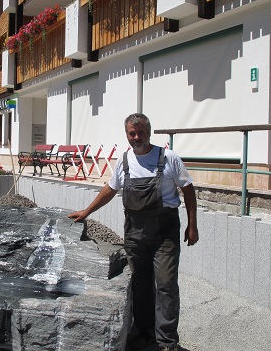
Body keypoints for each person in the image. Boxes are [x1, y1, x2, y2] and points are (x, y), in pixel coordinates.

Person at [68, 113, 198, 351]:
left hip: (164, 232)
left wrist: (192, 225)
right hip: (135, 232)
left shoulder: (168, 158)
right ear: (127, 134)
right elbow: (110, 189)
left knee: (166, 284)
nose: (136, 137)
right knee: (139, 284)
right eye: (131, 133)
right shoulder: (125, 160)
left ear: (149, 132)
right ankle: (146, 333)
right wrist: (86, 211)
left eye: (141, 132)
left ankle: (167, 341)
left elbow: (188, 190)